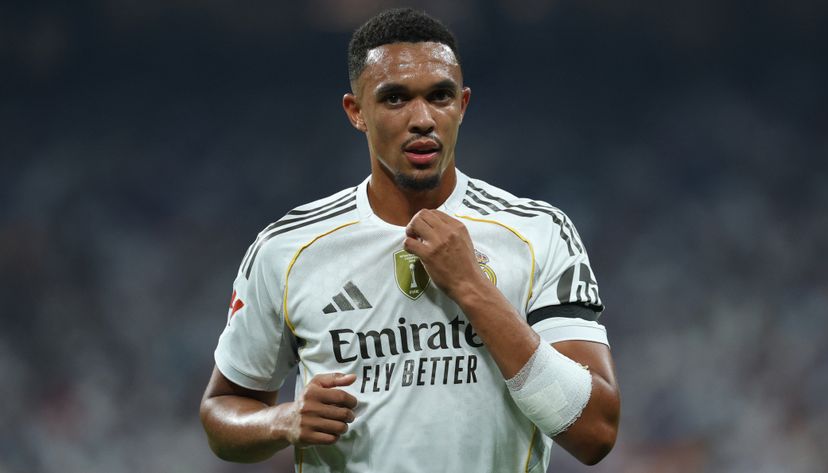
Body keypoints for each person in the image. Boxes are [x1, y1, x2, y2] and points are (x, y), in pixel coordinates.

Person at [200, 8, 620, 472]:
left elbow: (595, 432)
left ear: (462, 105)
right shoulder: (288, 248)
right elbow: (222, 409)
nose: (422, 118)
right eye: (395, 99)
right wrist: (282, 420)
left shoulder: (538, 233)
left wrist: (472, 286)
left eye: (439, 96)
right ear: (356, 111)